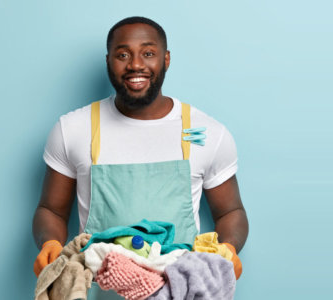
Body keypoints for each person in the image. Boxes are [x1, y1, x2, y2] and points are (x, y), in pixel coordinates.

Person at [33, 16, 248, 297]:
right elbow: (51, 209)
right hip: (99, 290)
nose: (135, 64)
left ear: (166, 59)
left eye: (148, 53)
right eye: (123, 55)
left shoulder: (207, 132)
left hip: (180, 289)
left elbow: (231, 211)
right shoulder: (72, 129)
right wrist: (50, 243)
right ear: (108, 60)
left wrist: (228, 248)